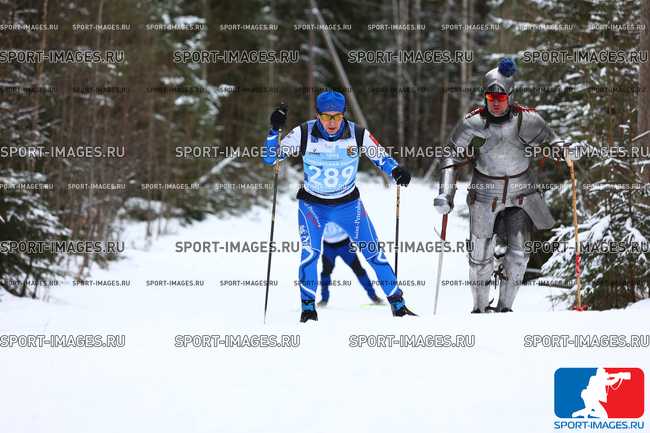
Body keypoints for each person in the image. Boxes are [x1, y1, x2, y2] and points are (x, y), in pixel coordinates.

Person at [434, 58, 583, 313]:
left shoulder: (528, 120)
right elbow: (450, 156)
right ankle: (480, 308)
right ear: (485, 96)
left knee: (520, 253)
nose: (495, 102)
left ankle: (505, 309)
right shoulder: (473, 123)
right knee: (480, 255)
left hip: (521, 192)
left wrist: (565, 151)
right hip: (485, 192)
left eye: (500, 97)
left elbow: (553, 141)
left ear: (510, 96)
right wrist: (445, 194)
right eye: (490, 97)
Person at [262, 90, 415, 322]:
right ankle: (308, 310)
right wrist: (274, 131)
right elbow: (270, 158)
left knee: (374, 252)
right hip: (313, 206)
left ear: (344, 114)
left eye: (337, 116)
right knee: (310, 255)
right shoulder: (303, 133)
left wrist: (395, 170)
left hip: (349, 205)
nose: (331, 122)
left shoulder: (357, 133)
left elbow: (382, 158)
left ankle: (398, 305)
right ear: (318, 115)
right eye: (326, 117)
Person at [317, 222, 383, 307]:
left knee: (359, 270)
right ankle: (324, 300)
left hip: (345, 245)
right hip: (328, 247)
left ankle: (374, 297)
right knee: (325, 273)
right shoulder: (319, 213)